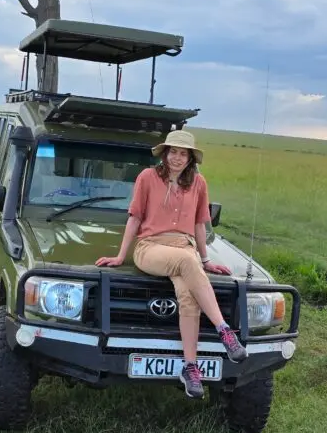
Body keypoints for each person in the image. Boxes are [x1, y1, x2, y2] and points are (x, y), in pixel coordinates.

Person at [96, 130, 247, 399]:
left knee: (189, 296)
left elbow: (200, 224)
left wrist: (206, 260)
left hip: (185, 248)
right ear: (165, 154)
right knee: (189, 261)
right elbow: (134, 218)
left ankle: (191, 369)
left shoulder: (199, 183)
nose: (177, 158)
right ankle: (224, 330)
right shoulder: (147, 177)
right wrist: (121, 256)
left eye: (183, 153)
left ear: (190, 159)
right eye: (173, 152)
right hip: (151, 247)